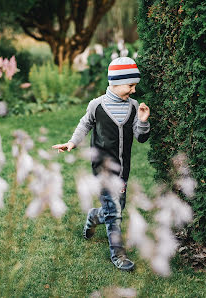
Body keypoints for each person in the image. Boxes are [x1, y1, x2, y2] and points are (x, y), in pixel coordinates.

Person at [52, 57, 150, 271]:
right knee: (114, 213)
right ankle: (118, 255)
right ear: (116, 82)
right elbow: (84, 124)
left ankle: (94, 216)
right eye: (130, 85)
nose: (134, 91)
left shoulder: (134, 107)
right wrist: (72, 142)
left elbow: (140, 137)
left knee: (117, 207)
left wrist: (143, 122)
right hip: (103, 169)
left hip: (123, 170)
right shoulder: (97, 105)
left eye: (135, 86)